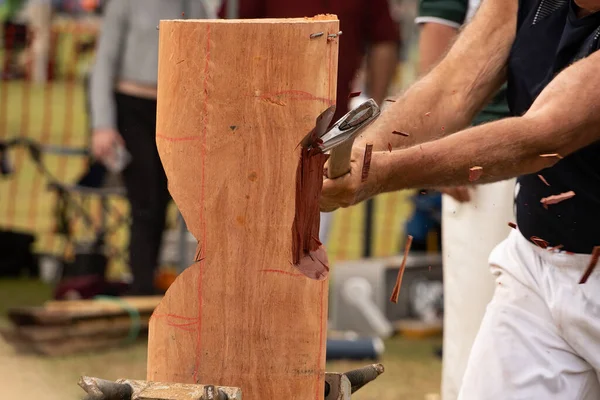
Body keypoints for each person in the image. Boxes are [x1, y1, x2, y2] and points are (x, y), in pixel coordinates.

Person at [321, 0, 600, 397]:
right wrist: (359, 156)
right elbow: (449, 89)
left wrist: (374, 174)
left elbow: (544, 136)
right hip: (539, 264)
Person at [218, 0, 401, 246]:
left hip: (327, 135)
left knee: (306, 242)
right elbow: (229, 34)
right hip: (260, 127)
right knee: (249, 234)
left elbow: (383, 41)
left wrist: (371, 111)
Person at [415, 0, 515, 398]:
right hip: (483, 148)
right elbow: (438, 36)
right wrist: (440, 142)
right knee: (477, 311)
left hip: (571, 141)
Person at [89, 0, 211, 295]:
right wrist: (102, 124)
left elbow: (205, 51)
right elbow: (104, 62)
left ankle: (155, 282)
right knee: (145, 202)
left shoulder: (193, 4)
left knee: (168, 199)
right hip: (132, 108)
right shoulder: (124, 4)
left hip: (176, 108)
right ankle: (141, 285)